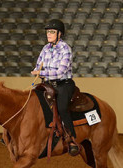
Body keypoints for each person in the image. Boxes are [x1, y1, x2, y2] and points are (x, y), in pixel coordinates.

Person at [31, 19, 79, 156]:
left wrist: (41, 73)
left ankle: (71, 139)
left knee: (62, 107)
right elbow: (38, 65)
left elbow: (60, 72)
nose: (49, 34)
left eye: (52, 32)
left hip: (64, 84)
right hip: (48, 84)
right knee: (33, 101)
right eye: (48, 32)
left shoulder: (66, 49)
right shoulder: (45, 48)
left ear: (59, 34)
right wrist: (37, 71)